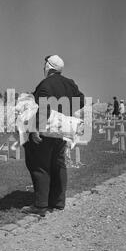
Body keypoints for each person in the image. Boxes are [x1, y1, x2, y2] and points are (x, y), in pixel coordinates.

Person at [22, 55, 85, 216]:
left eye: (44, 65)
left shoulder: (46, 84)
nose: (43, 67)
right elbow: (82, 100)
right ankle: (58, 202)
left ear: (49, 67)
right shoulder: (70, 83)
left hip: (46, 130)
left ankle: (40, 205)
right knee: (58, 164)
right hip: (62, 131)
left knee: (39, 165)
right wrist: (66, 113)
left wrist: (35, 128)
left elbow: (44, 107)